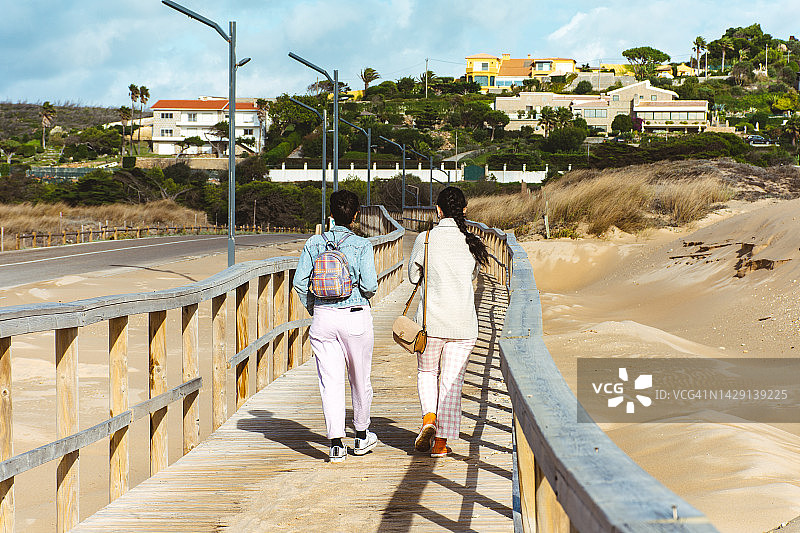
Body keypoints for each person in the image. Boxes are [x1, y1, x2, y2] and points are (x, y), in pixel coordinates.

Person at [293, 190, 379, 463]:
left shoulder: (314, 243)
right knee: (360, 378)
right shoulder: (362, 245)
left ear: (330, 214)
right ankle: (361, 436)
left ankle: (335, 445)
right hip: (355, 315)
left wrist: (316, 308)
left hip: (324, 318)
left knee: (329, 381)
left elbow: (299, 283)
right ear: (356, 216)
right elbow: (370, 285)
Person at [408, 186, 489, 457]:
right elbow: (473, 276)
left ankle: (429, 419)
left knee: (427, 373)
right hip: (463, 325)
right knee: (452, 382)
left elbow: (413, 277)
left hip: (430, 324)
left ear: (438, 210)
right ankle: (440, 444)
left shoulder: (425, 239)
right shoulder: (472, 242)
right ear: (464, 210)